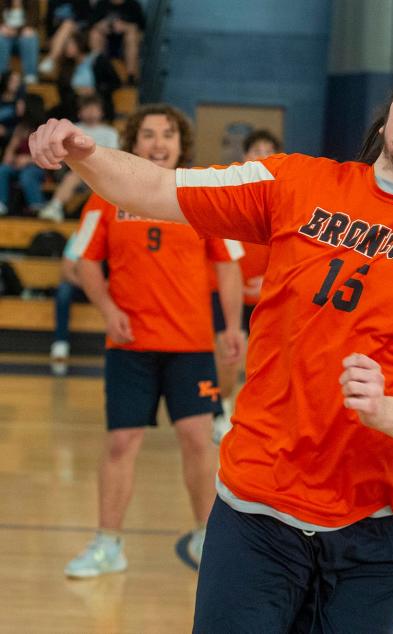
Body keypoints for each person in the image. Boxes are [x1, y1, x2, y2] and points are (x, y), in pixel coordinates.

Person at [30, 61, 393, 631]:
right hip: (256, 509)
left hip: (379, 528)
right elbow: (160, 187)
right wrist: (83, 152)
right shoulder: (296, 182)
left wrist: (387, 411)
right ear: (387, 114)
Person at [58, 104, 245, 578]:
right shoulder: (105, 196)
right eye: (147, 135)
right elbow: (83, 263)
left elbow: (227, 267)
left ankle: (208, 538)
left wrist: (230, 326)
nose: (158, 143)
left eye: (167, 135)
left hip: (191, 347)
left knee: (198, 440)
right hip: (130, 348)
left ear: (181, 143)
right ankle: (108, 544)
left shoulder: (201, 196)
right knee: (121, 442)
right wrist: (109, 310)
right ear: (133, 143)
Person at [211, 128, 281, 444]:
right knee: (226, 357)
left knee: (269, 364)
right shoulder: (229, 196)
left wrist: (270, 281)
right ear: (245, 157)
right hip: (228, 295)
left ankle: (260, 420)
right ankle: (218, 410)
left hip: (269, 297)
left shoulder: (288, 201)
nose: (262, 155)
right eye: (256, 149)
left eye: (269, 150)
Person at [39, 94, 118, 222]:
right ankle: (55, 207)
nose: (91, 112)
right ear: (80, 112)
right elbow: (62, 152)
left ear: (102, 112)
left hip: (100, 172)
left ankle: (55, 206)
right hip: (72, 169)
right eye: (87, 108)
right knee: (76, 174)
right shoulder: (73, 128)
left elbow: (113, 156)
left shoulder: (110, 132)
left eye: (95, 108)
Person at [49, 230, 87, 374]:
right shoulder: (81, 235)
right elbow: (66, 270)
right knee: (64, 290)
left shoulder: (114, 233)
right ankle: (60, 343)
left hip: (107, 285)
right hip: (82, 284)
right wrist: (90, 285)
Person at [89, 0, 145, 84]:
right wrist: (102, 26)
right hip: (107, 39)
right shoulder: (102, 3)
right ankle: (98, 70)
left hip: (126, 41)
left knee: (132, 35)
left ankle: (131, 77)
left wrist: (125, 27)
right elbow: (93, 23)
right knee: (95, 34)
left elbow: (141, 28)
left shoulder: (133, 5)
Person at [0, 0, 39, 83]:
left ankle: (30, 76)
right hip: (5, 38)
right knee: (1, 39)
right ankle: (1, 75)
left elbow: (34, 22)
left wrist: (16, 31)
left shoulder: (32, 2)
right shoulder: (2, 3)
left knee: (30, 37)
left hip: (23, 38)